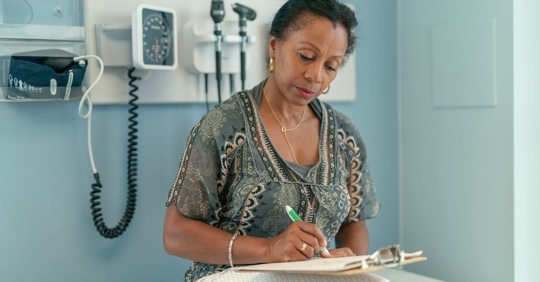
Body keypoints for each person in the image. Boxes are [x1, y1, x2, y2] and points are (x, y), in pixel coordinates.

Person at [163, 0, 380, 281]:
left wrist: (348, 257)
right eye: (305, 56)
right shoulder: (223, 128)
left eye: (331, 66)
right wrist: (269, 249)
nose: (316, 76)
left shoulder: (345, 137)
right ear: (274, 46)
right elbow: (175, 234)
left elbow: (354, 221)